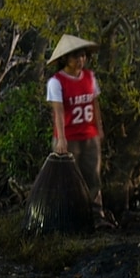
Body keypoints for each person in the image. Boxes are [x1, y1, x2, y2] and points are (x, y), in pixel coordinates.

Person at [45, 33, 112, 228]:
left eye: (83, 56)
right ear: (66, 59)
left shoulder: (90, 77)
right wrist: (61, 138)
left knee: (93, 177)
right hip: (69, 137)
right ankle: (68, 218)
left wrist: (99, 128)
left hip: (89, 135)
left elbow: (95, 103)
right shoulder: (56, 82)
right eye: (76, 57)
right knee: (67, 179)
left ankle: (96, 217)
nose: (80, 60)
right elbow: (57, 111)